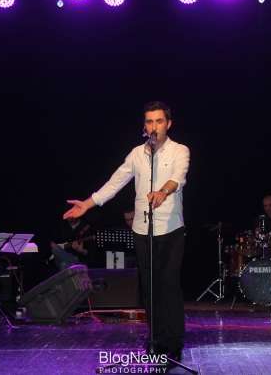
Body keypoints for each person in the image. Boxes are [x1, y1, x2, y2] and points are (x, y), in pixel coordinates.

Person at [63, 101, 190, 361]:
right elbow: (115, 182)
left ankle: (174, 341)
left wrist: (162, 192)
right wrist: (87, 204)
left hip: (171, 229)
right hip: (143, 229)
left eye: (159, 121)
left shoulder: (180, 150)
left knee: (168, 284)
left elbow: (178, 177)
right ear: (145, 125)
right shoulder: (136, 154)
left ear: (168, 124)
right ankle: (156, 339)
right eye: (149, 121)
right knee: (149, 287)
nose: (154, 126)